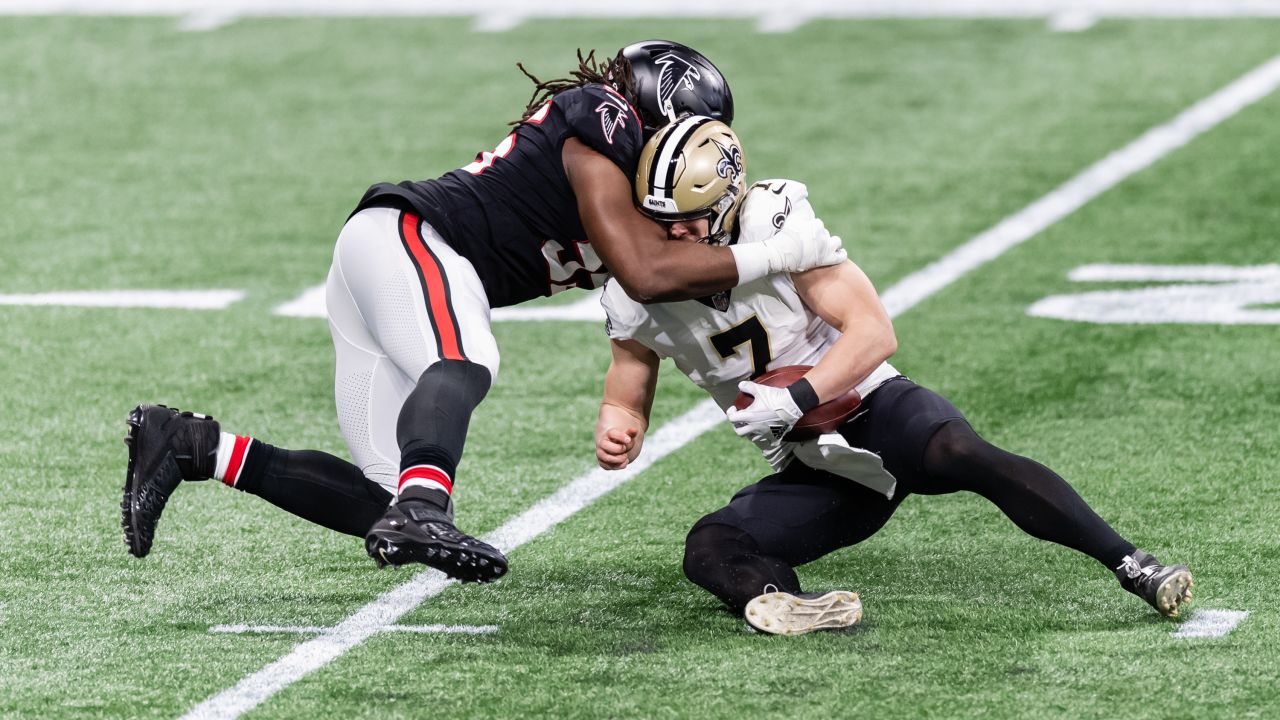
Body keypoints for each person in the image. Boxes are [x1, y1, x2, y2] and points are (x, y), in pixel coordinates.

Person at [121, 41, 847, 583]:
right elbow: (648, 272)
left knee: (383, 494)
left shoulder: (643, 179)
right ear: (653, 116)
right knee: (463, 363)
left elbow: (659, 289)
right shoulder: (596, 127)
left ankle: (190, 446)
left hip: (384, 263)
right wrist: (777, 254)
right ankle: (426, 509)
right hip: (413, 239)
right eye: (690, 136)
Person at [594, 115, 1194, 635]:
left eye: (688, 221)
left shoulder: (773, 223)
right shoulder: (634, 289)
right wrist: (620, 422)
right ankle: (785, 603)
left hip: (873, 405)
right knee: (710, 546)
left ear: (727, 205)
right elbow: (630, 369)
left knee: (961, 451)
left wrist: (798, 395)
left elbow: (874, 333)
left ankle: (1133, 565)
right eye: (659, 219)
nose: (671, 234)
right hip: (812, 459)